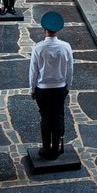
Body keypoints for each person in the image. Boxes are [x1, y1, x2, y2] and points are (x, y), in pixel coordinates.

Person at [30, 10, 74, 159]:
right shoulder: (66, 47)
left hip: (43, 89)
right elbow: (70, 69)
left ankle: (46, 148)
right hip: (60, 88)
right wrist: (68, 86)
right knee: (58, 117)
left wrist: (32, 88)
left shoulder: (38, 48)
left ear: (44, 29)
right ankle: (55, 149)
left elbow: (33, 71)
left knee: (45, 118)